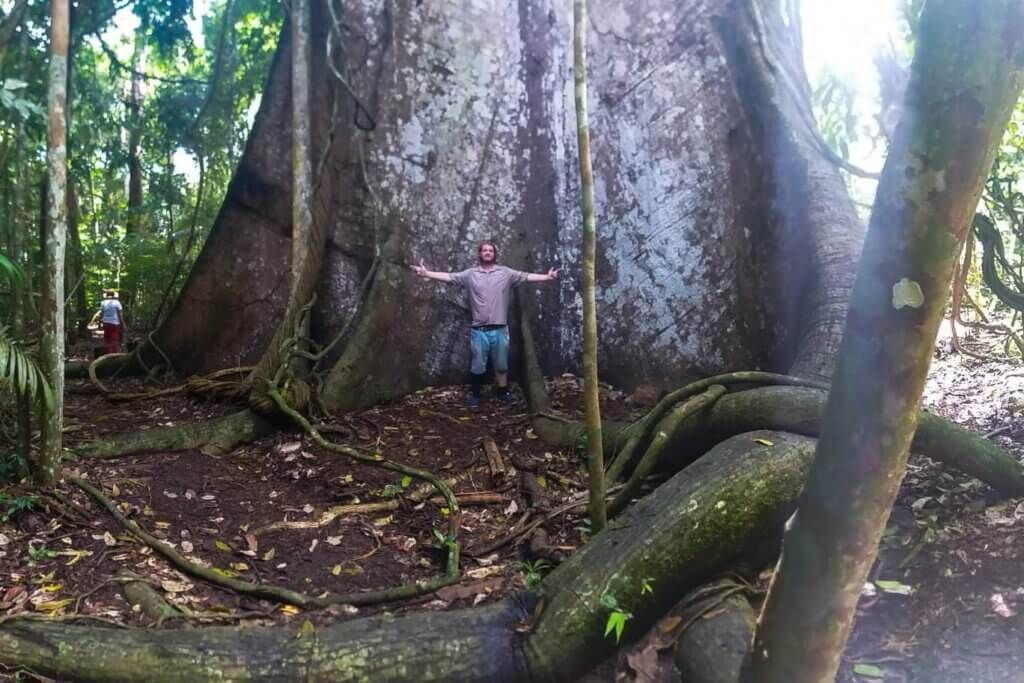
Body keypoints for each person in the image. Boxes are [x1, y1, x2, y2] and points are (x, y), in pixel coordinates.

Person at [412, 241, 559, 407]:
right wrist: (426, 273)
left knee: (502, 365)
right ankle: (475, 395)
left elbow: (526, 276)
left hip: (500, 330)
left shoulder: (505, 273)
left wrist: (546, 277)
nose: (488, 252)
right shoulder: (470, 274)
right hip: (479, 330)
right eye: (485, 250)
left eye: (491, 250)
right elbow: (449, 277)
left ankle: (503, 393)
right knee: (477, 366)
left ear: (494, 254)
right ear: (480, 254)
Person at [98, 288, 126, 354]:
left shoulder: (103, 303)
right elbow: (120, 315)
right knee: (114, 340)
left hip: (106, 323)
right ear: (113, 295)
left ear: (107, 295)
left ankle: (108, 354)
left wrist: (99, 324)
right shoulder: (117, 303)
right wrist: (123, 324)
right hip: (115, 324)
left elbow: (101, 314)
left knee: (107, 339)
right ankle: (113, 355)